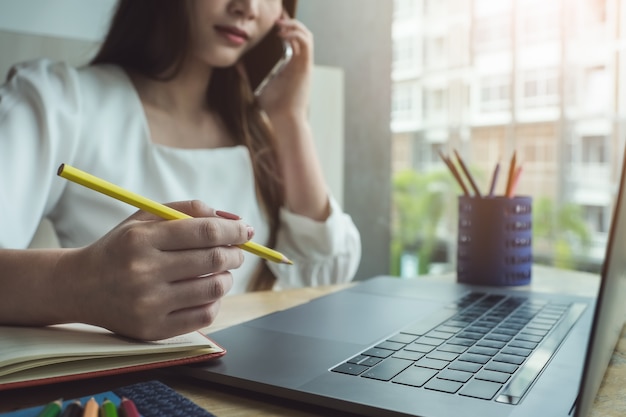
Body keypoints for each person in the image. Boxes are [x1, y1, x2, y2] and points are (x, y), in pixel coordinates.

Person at [0, 0, 361, 341]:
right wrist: (79, 283)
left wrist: (290, 117)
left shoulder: (257, 130)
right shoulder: (58, 100)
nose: (247, 8)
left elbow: (326, 274)